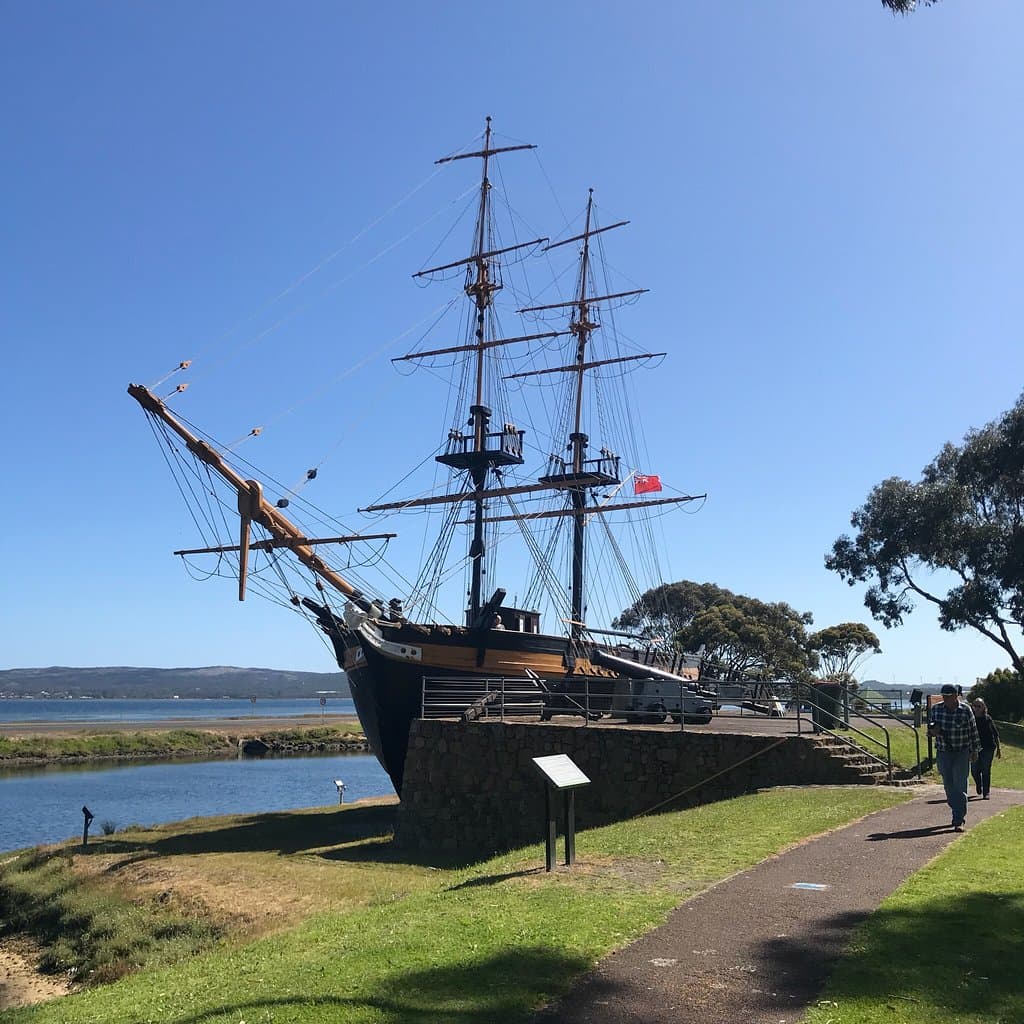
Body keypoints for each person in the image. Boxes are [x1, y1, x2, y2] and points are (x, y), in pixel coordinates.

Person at [927, 683, 980, 831]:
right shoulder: (936, 709)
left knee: (960, 783)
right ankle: (956, 806)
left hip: (961, 752)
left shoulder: (965, 710)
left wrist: (975, 750)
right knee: (948, 785)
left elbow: (973, 730)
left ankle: (958, 818)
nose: (946, 699)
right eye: (944, 696)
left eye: (949, 696)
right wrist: (933, 732)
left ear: (957, 696)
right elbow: (929, 731)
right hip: (943, 752)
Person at [970, 697, 1001, 799]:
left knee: (986, 770)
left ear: (984, 707)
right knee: (974, 770)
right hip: (974, 748)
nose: (977, 708)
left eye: (979, 706)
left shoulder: (988, 719)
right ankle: (979, 784)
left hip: (988, 748)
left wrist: (999, 749)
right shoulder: (971, 719)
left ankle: (986, 792)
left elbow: (995, 734)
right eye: (975, 706)